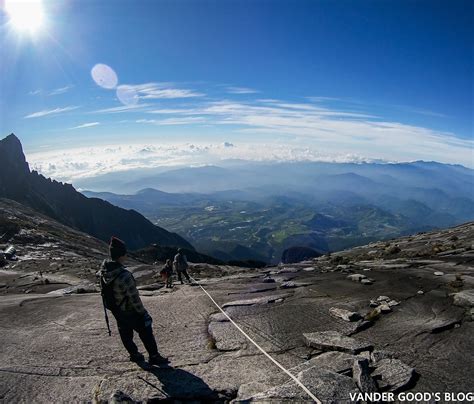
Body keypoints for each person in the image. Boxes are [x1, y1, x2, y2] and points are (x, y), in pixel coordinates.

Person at [98, 236, 168, 365]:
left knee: (125, 334)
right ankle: (154, 356)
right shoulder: (124, 275)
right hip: (130, 310)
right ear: (121, 255)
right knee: (146, 331)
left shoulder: (103, 272)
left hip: (116, 310)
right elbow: (134, 299)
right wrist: (143, 313)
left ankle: (134, 354)